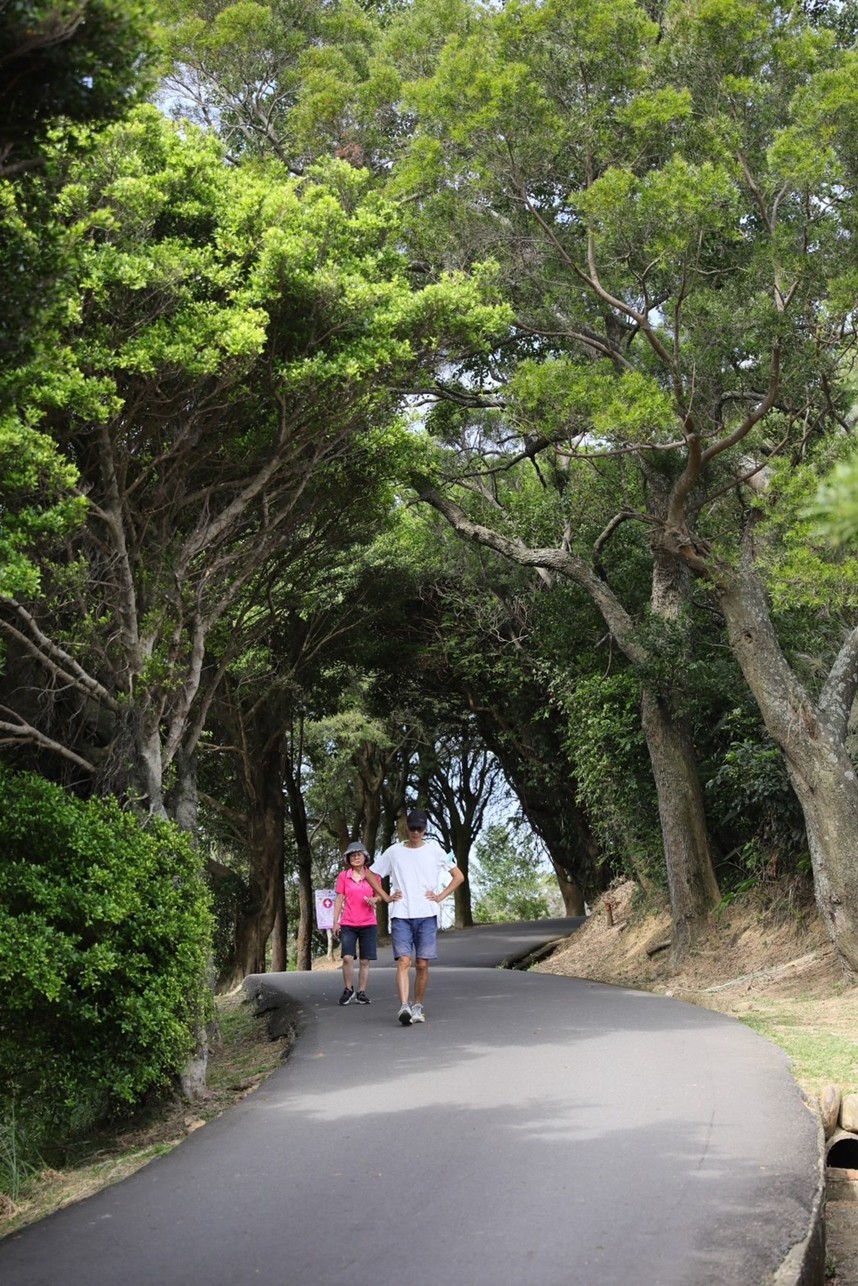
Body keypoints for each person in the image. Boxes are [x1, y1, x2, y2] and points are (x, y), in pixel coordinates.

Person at [366, 808, 464, 1026]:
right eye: (413, 827)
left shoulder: (436, 851)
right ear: (406, 827)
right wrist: (385, 896)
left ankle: (418, 1006)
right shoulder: (394, 852)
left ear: (425, 829)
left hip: (427, 914)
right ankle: (404, 1006)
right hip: (401, 914)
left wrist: (440, 896)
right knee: (404, 960)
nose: (416, 832)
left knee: (421, 964)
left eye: (420, 828)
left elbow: (458, 876)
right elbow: (371, 874)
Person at [332, 840, 379, 1006]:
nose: (356, 857)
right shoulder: (343, 876)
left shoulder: (373, 875)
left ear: (365, 857)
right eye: (352, 855)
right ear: (348, 859)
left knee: (365, 960)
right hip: (348, 922)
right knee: (347, 957)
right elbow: (339, 899)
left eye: (359, 854)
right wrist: (335, 922)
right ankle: (348, 989)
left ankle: (361, 992)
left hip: (368, 923)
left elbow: (379, 895)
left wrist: (374, 899)